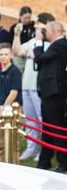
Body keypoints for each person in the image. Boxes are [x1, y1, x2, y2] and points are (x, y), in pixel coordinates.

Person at [14, 11, 54, 161]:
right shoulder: (32, 41)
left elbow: (39, 57)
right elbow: (17, 51)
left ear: (47, 25)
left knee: (42, 119)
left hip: (41, 87)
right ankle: (32, 148)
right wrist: (17, 35)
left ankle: (44, 150)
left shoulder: (52, 43)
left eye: (38, 23)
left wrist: (33, 52)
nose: (35, 25)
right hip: (27, 85)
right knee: (30, 120)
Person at [34, 19, 67, 172]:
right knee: (47, 128)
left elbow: (40, 58)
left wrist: (38, 42)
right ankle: (45, 160)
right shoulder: (56, 45)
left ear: (53, 31)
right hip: (48, 92)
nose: (44, 33)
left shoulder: (60, 45)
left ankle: (63, 162)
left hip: (54, 93)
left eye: (45, 30)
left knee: (56, 127)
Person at [0, 43, 22, 159]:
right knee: (0, 144)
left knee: (13, 143)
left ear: (11, 55)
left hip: (11, 110)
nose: (3, 57)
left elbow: (14, 93)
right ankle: (2, 166)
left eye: (6, 54)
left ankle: (14, 168)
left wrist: (2, 110)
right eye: (1, 54)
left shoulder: (15, 71)